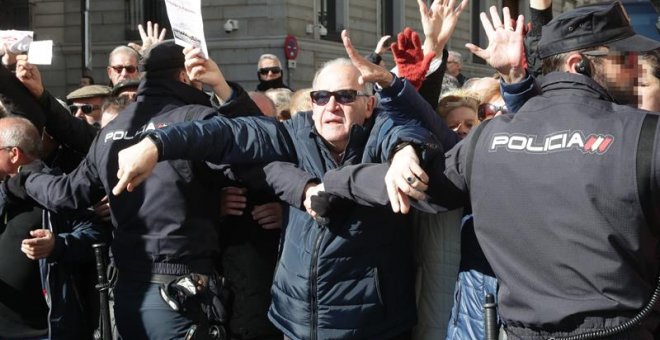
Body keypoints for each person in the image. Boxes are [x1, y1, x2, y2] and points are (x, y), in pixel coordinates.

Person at [111, 29, 450, 339]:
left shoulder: (382, 132)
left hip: (372, 327)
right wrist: (157, 144)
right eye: (320, 97)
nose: (331, 106)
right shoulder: (293, 134)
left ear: (368, 104)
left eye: (345, 96)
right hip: (296, 324)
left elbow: (411, 132)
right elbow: (230, 133)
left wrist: (407, 150)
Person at [407, 3, 660, 339]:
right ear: (579, 64)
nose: (636, 70)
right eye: (625, 60)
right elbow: (424, 181)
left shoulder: (642, 133)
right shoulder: (491, 138)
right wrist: (400, 148)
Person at [7, 40, 243, 339]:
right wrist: (225, 91)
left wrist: (28, 176)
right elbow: (255, 156)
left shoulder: (112, 130)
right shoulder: (197, 119)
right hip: (179, 288)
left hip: (129, 291)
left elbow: (67, 193)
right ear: (185, 76)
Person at [0, 116, 108, 339]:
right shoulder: (4, 190)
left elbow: (96, 236)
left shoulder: (58, 191)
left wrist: (57, 245)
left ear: (14, 153)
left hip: (44, 331)